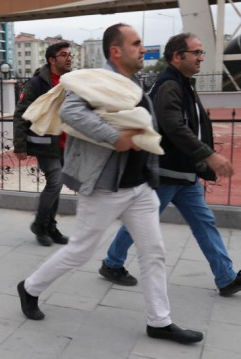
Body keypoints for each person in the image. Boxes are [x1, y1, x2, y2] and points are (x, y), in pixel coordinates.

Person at [18, 24, 204, 344]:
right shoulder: (92, 80)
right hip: (106, 185)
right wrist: (114, 137)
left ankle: (159, 321)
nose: (142, 49)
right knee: (79, 252)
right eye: (136, 44)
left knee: (153, 251)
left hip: (139, 186)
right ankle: (30, 287)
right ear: (116, 51)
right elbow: (72, 111)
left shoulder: (134, 83)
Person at [99, 33, 240, 296]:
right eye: (196, 52)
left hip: (185, 173)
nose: (201, 57)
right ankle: (112, 262)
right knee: (141, 223)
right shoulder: (169, 86)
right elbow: (174, 126)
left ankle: (226, 277)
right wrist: (207, 155)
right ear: (178, 56)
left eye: (201, 53)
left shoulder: (183, 83)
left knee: (204, 223)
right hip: (165, 173)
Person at [13, 41, 72, 246]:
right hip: (46, 143)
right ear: (52, 60)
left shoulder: (71, 81)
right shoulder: (38, 83)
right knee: (55, 183)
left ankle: (50, 226)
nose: (69, 58)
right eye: (63, 55)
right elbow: (21, 113)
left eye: (69, 54)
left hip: (66, 142)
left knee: (56, 186)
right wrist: (19, 146)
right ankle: (40, 225)